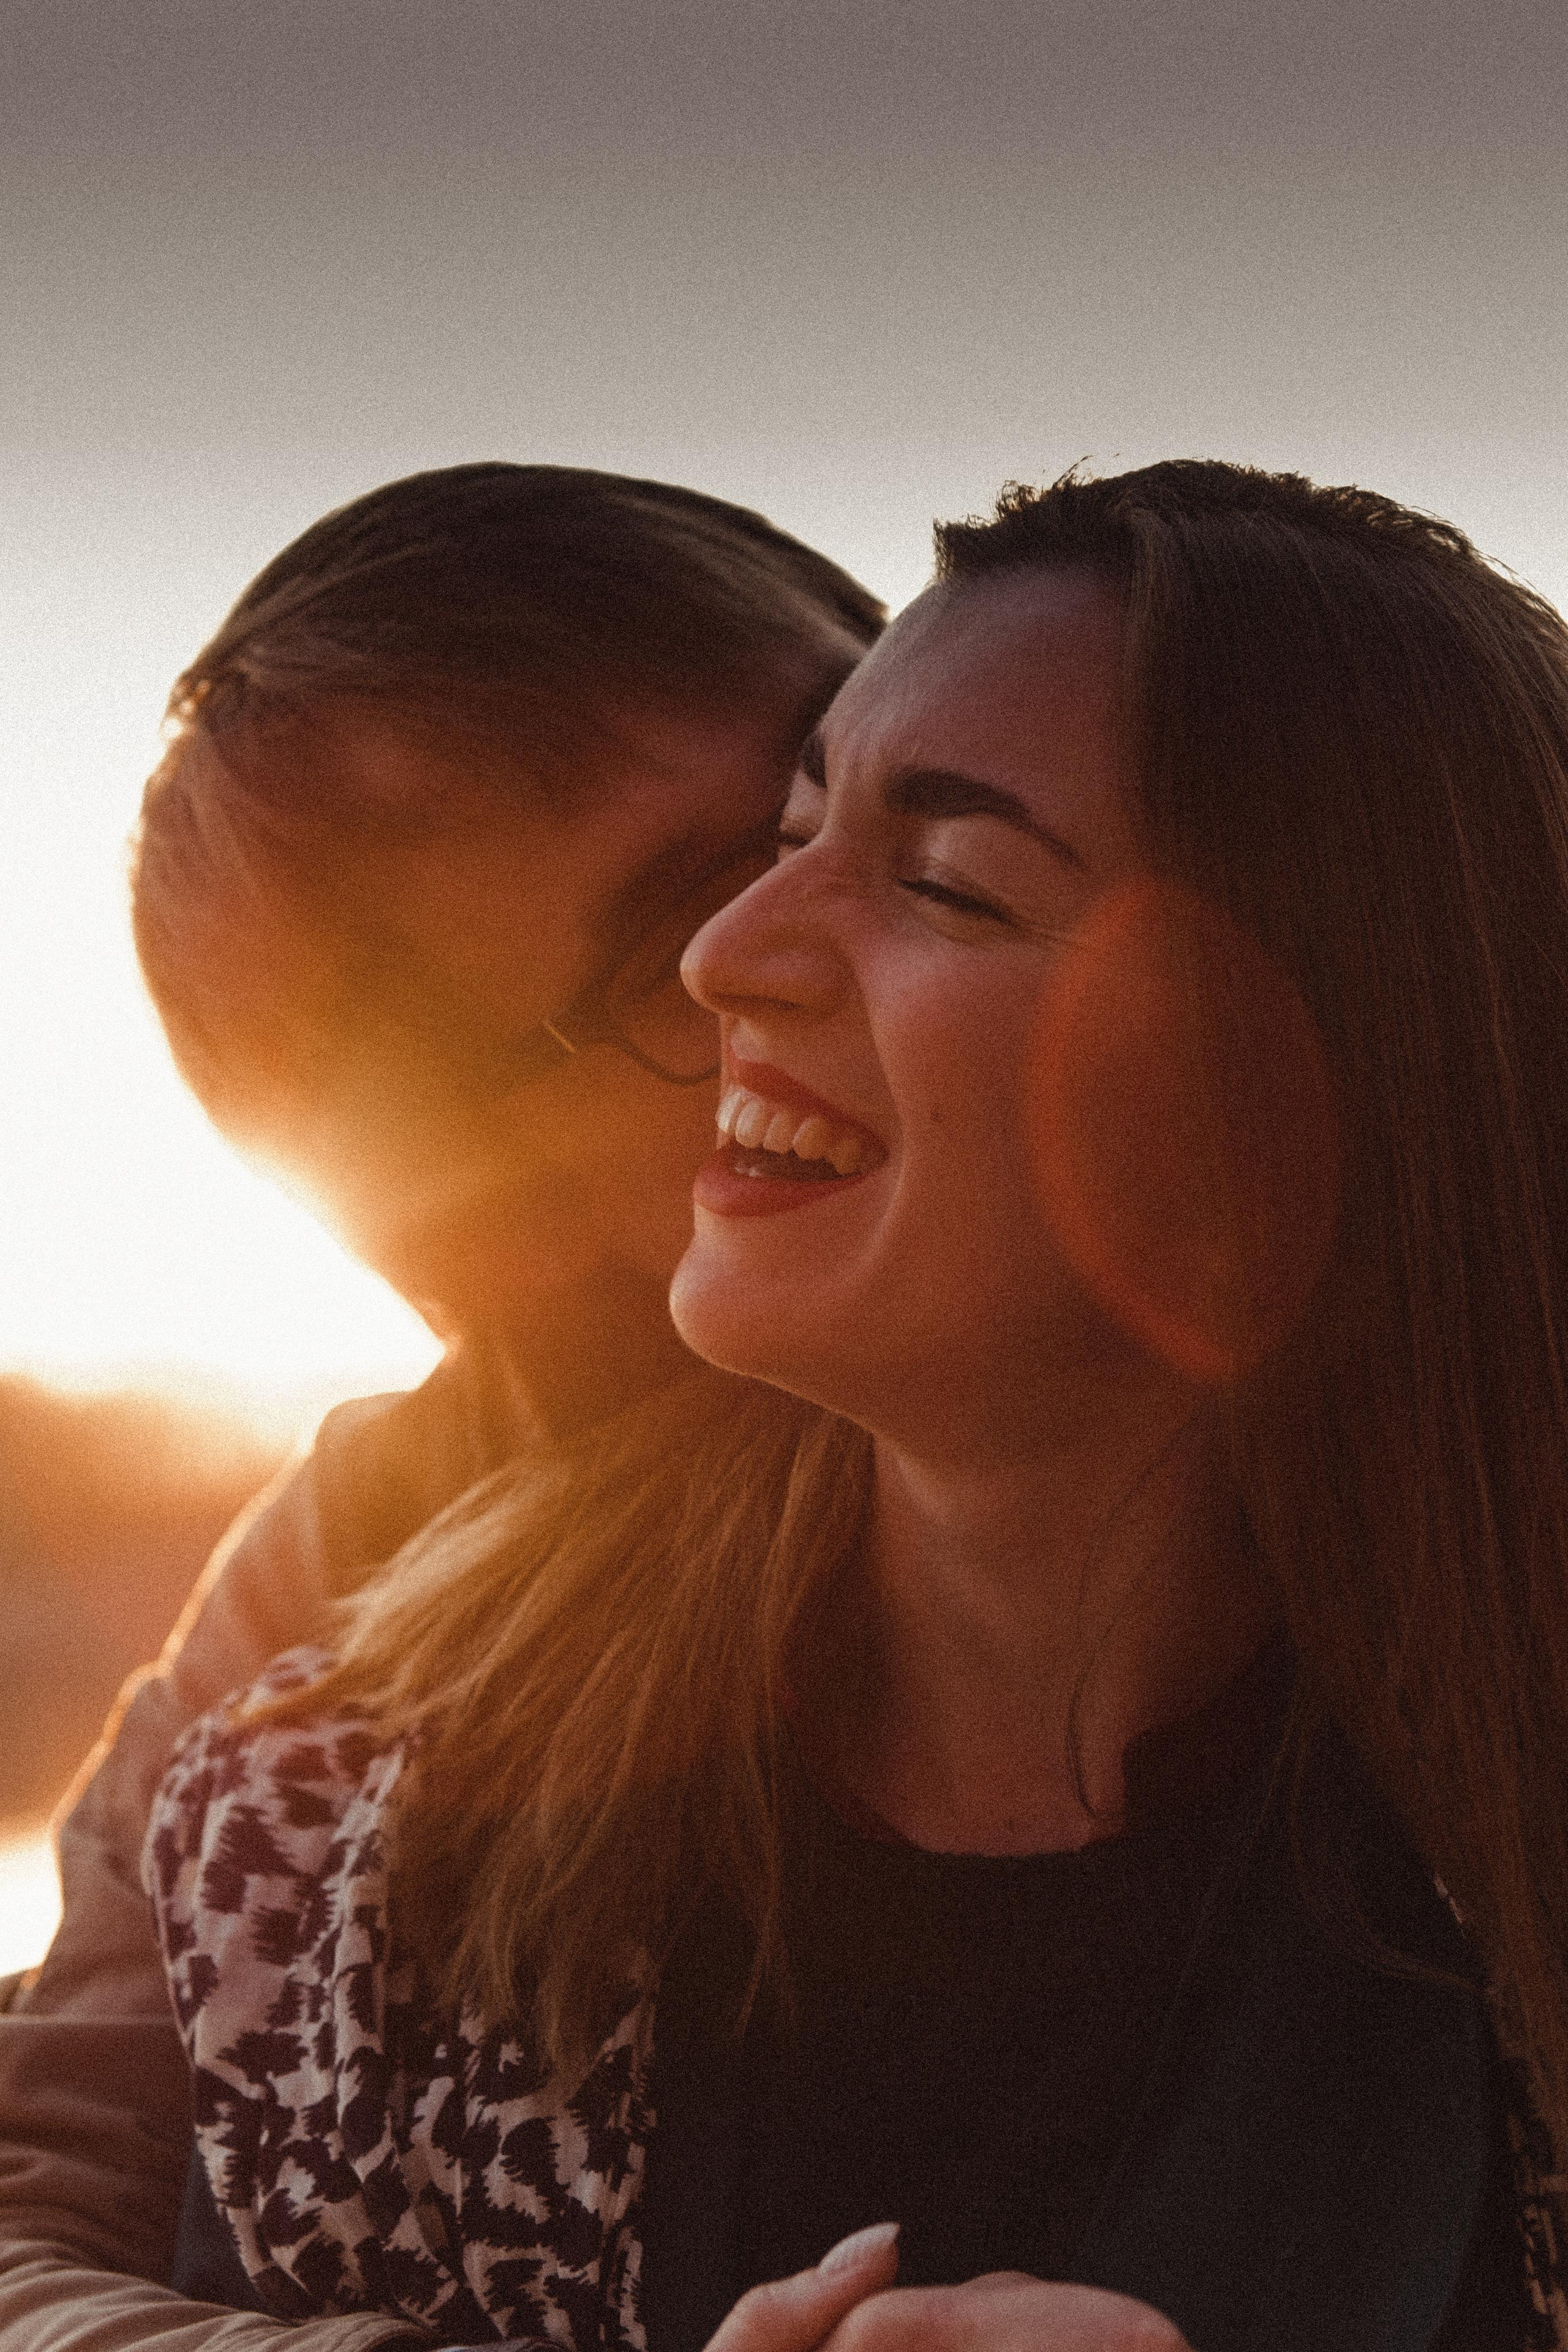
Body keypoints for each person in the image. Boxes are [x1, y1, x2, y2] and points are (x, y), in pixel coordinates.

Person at [143, 460, 1568, 2352]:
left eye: (948, 879)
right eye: (790, 833)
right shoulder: (353, 1857)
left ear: (1338, 1062)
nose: (728, 957)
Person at [0, 462, 883, 2350]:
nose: (838, 922)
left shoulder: (1420, 1392)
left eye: (858, 779)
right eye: (678, 937)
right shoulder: (349, 1593)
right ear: (466, 1212)